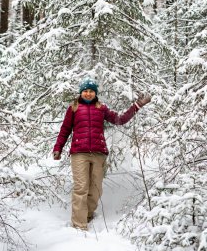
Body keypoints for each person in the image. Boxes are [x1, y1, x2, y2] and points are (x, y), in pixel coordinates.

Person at [52, 77, 151, 230]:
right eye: (85, 91)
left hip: (99, 153)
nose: (88, 93)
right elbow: (65, 130)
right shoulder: (73, 108)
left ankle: (87, 215)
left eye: (91, 91)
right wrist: (58, 148)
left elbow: (120, 120)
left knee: (96, 188)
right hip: (79, 153)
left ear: (95, 93)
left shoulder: (101, 108)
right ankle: (79, 225)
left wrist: (137, 105)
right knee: (81, 187)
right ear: (81, 93)